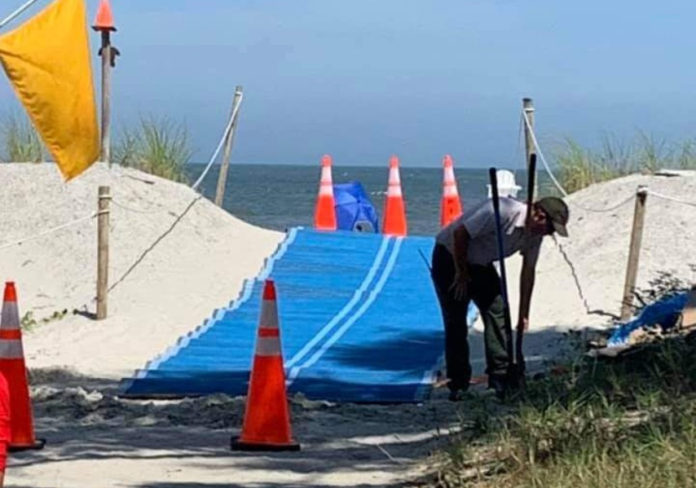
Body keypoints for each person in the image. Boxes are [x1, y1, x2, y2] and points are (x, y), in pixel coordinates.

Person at [431, 195, 569, 400]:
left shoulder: (534, 236)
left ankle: (500, 376)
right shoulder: (501, 211)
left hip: (482, 264)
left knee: (498, 313)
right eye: (549, 229)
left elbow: (528, 272)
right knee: (456, 321)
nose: (548, 234)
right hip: (451, 256)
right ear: (539, 215)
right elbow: (460, 234)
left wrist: (524, 313)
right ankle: (458, 383)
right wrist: (461, 273)